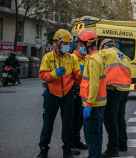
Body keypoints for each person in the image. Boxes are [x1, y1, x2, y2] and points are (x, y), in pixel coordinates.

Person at [37, 29, 80, 158]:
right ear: (56, 43)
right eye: (64, 43)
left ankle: (67, 150)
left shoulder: (71, 58)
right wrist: (54, 74)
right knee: (48, 123)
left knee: (68, 124)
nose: (67, 46)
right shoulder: (48, 57)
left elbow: (77, 76)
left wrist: (80, 74)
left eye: (68, 43)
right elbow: (42, 75)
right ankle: (43, 150)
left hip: (67, 94)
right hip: (51, 94)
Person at [99, 39, 132, 157]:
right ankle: (122, 144)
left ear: (103, 46)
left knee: (110, 119)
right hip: (124, 90)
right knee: (119, 118)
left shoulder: (105, 53)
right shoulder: (123, 56)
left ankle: (112, 149)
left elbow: (97, 68)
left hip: (112, 89)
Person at [79, 30, 107, 158]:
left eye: (81, 43)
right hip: (97, 103)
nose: (79, 46)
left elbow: (94, 84)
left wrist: (89, 104)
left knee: (92, 136)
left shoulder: (94, 60)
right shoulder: (95, 57)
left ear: (88, 44)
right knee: (97, 134)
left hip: (93, 104)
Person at [70, 36, 89, 150]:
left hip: (83, 92)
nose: (83, 48)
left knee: (79, 119)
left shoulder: (85, 58)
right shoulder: (73, 57)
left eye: (84, 46)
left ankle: (77, 141)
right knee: (73, 119)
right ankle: (71, 143)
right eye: (81, 46)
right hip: (74, 91)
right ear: (77, 46)